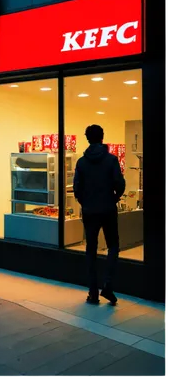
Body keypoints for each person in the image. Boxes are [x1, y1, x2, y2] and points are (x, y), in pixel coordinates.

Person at [73, 125, 125, 305]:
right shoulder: (111, 160)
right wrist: (114, 198)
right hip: (108, 209)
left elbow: (77, 189)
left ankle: (93, 293)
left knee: (91, 250)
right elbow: (119, 183)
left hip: (89, 211)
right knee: (113, 246)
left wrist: (85, 203)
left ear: (87, 138)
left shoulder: (81, 162)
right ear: (102, 137)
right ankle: (108, 286)